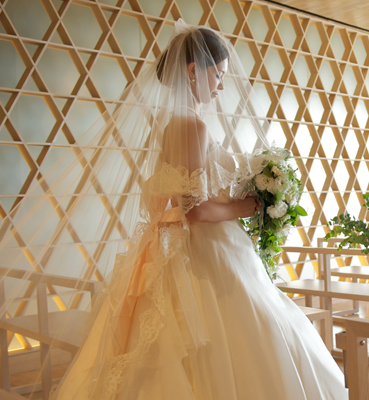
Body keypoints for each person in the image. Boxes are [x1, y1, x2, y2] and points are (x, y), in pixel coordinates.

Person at [0, 20, 347, 399]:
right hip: (208, 253)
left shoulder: (171, 127)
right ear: (193, 71)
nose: (221, 85)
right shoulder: (193, 127)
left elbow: (166, 199)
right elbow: (194, 211)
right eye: (218, 75)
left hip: (191, 246)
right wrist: (245, 206)